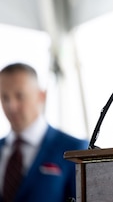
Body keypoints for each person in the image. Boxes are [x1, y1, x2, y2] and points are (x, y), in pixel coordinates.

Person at [0, 63, 88, 202]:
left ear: (41, 96)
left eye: (19, 96)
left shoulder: (75, 149)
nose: (11, 106)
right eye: (5, 98)